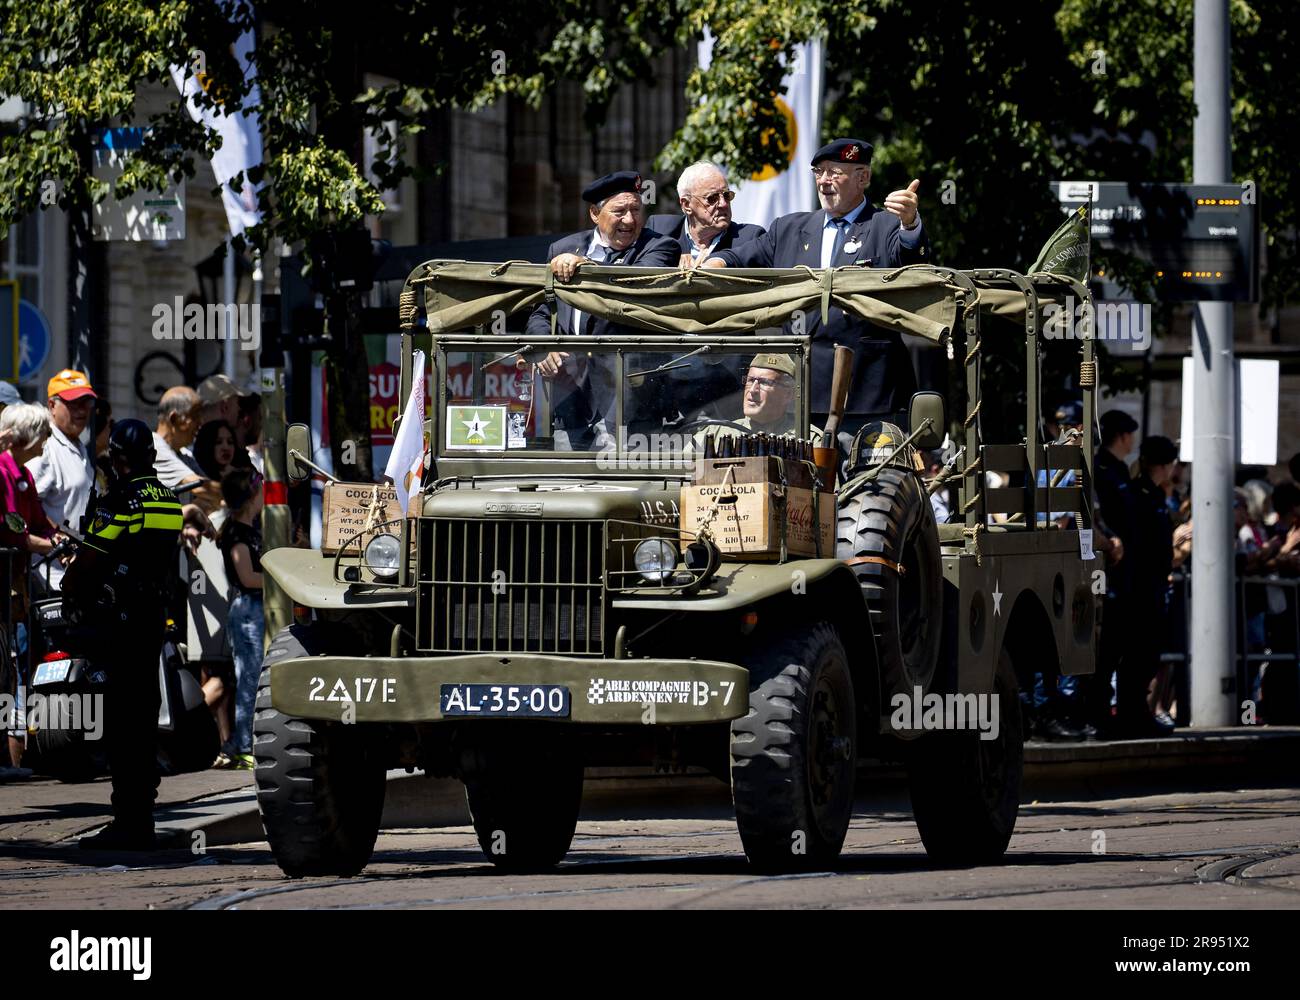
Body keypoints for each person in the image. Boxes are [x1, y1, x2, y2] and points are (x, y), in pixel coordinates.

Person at [708, 138, 932, 439]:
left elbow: (910, 259)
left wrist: (910, 223)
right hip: (800, 396)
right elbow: (742, 257)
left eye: (834, 172)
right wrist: (714, 262)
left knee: (866, 483)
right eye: (819, 172)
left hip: (867, 396)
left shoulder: (884, 225)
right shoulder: (788, 229)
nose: (824, 181)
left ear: (862, 178)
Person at [62, 419, 184, 851]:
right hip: (152, 620)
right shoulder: (168, 500)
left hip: (120, 621)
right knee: (143, 716)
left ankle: (126, 820)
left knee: (120, 721)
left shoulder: (122, 500)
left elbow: (93, 558)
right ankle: (142, 816)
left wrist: (69, 586)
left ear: (118, 458)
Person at [523, 171, 679, 449]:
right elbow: (542, 311)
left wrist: (583, 266)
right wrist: (543, 347)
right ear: (595, 214)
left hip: (631, 411)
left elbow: (630, 284)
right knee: (567, 488)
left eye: (635, 210)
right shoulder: (561, 248)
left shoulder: (660, 247)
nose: (630, 220)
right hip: (570, 404)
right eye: (620, 211)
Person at [1, 403, 61, 770]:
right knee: (6, 665)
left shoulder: (21, 472)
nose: (44, 444)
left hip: (16, 582)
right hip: (5, 581)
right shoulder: (4, 471)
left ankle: (12, 758)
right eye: (41, 436)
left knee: (11, 668)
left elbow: (37, 520)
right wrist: (44, 544)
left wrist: (59, 540)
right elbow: (11, 528)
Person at [1124, 434, 1179, 737]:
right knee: (1138, 655)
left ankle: (1139, 713)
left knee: (1150, 655)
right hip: (1142, 587)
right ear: (1165, 464)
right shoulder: (1139, 494)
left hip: (1154, 584)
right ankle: (1133, 714)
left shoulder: (1155, 495)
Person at [26, 369, 98, 593]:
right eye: (73, 403)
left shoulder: (78, 446)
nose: (81, 410)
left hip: (75, 578)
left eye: (85, 402)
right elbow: (28, 500)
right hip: (50, 579)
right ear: (51, 406)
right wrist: (58, 536)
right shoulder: (46, 447)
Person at [216, 467, 264, 770]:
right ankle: (246, 746)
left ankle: (236, 743)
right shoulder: (236, 533)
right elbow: (247, 577)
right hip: (246, 609)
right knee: (249, 678)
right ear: (250, 496)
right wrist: (277, 577)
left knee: (253, 677)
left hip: (255, 608)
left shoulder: (251, 529)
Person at [645, 162, 765, 267]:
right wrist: (670, 259)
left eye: (727, 195)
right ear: (686, 205)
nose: (723, 204)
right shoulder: (659, 230)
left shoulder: (751, 238)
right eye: (712, 198)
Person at [153, 386, 222, 512]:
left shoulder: (184, 454)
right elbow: (202, 487)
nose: (200, 422)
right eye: (195, 415)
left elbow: (210, 492)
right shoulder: (155, 448)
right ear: (174, 418)